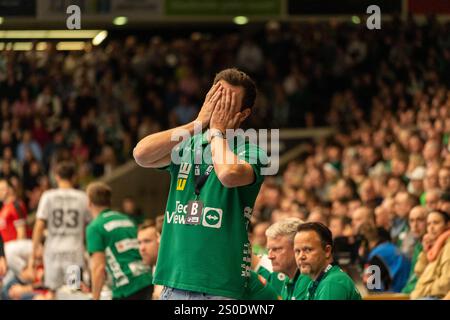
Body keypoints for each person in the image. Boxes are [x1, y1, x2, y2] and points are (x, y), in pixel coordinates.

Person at [133, 68, 268, 299]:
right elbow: (141, 154)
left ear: (243, 114)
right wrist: (197, 123)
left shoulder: (251, 151)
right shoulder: (189, 143)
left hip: (220, 288)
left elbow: (227, 174)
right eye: (216, 97)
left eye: (228, 103)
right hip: (174, 283)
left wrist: (216, 133)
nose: (219, 107)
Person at [31, 161, 91, 297]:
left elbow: (39, 226)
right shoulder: (83, 198)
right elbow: (90, 227)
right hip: (74, 253)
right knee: (73, 292)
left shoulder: (48, 196)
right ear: (74, 177)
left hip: (53, 253)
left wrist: (33, 254)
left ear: (56, 176)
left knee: (52, 292)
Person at [86, 182, 153, 300]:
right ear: (109, 201)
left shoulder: (95, 227)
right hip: (147, 280)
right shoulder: (126, 219)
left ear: (89, 202)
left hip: (127, 288)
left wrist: (95, 298)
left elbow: (98, 268)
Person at [293, 222, 362, 300]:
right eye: (297, 251)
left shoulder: (332, 283)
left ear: (327, 251)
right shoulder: (317, 282)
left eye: (308, 250)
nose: (301, 256)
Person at [264, 218, 311, 300]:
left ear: (297, 248)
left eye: (276, 249)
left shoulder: (308, 277)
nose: (270, 256)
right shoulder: (288, 278)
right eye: (269, 250)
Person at [358, 222, 411, 292]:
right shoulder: (389, 247)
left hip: (396, 293)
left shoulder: (377, 256)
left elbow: (371, 286)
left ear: (364, 243)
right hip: (405, 287)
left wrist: (362, 258)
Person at [410, 210, 450, 299]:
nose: (431, 227)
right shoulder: (435, 246)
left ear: (448, 225)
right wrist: (425, 252)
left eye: (436, 223)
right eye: (428, 224)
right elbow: (419, 273)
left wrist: (424, 290)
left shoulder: (448, 245)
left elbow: (447, 283)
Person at [402, 206, 428, 294]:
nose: (415, 225)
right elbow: (412, 278)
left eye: (420, 220)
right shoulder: (417, 246)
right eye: (411, 220)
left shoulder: (432, 246)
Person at [0, 178, 28, 243]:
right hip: (6, 248)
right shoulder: (3, 209)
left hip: (15, 248)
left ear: (10, 189)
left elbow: (22, 233)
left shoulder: (16, 206)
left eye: (2, 189)